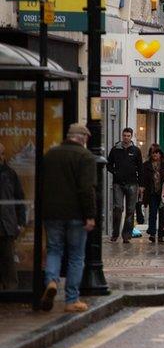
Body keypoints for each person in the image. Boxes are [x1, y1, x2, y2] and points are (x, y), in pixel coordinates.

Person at [40, 123, 96, 312]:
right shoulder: (85, 156)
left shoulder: (50, 154)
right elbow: (86, 189)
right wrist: (90, 215)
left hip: (52, 213)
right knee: (76, 256)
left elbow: (42, 185)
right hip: (76, 215)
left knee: (54, 250)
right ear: (83, 138)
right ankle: (71, 300)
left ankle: (51, 282)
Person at [107, 127, 142, 243]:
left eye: (128, 136)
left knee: (130, 210)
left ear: (131, 137)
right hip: (118, 183)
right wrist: (115, 172)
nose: (126, 138)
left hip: (132, 183)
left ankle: (126, 235)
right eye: (124, 135)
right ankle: (115, 233)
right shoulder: (115, 150)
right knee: (118, 208)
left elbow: (140, 168)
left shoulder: (136, 151)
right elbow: (108, 164)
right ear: (122, 136)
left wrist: (141, 185)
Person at [0, 143, 25, 290]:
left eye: (2, 154)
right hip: (6, 222)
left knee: (8, 259)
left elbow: (19, 198)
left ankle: (10, 289)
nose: (0, 157)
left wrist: (20, 221)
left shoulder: (10, 173)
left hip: (7, 224)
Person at [139, 144, 164, 244]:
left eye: (157, 152)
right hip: (152, 192)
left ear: (160, 153)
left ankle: (161, 235)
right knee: (152, 213)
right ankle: (152, 233)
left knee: (163, 213)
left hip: (163, 193)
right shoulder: (146, 165)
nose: (155, 155)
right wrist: (142, 188)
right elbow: (143, 178)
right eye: (153, 153)